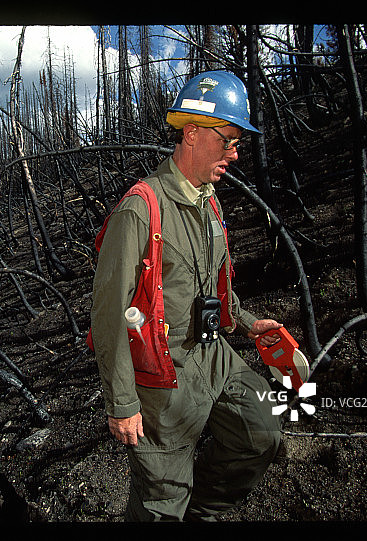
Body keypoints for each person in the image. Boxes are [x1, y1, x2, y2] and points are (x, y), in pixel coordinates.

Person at [90, 70, 283, 522]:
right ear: (192, 132)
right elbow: (109, 314)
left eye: (238, 143)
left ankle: (203, 512)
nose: (234, 154)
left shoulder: (208, 200)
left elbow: (211, 285)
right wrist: (122, 404)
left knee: (261, 432)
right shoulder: (140, 209)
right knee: (161, 501)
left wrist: (248, 320)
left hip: (213, 355)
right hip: (163, 376)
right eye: (228, 140)